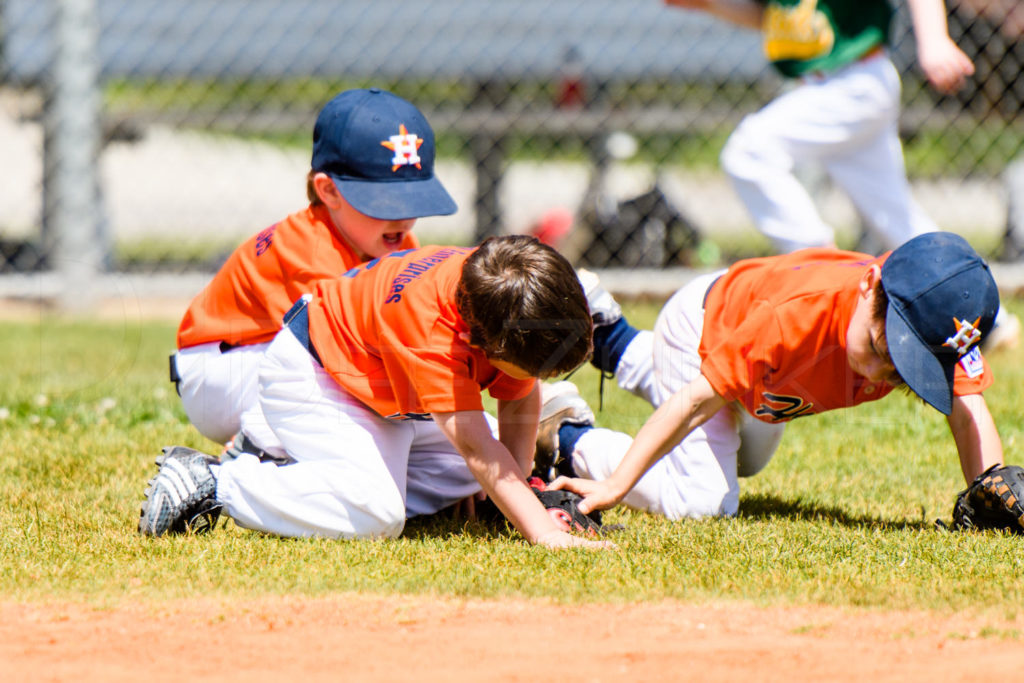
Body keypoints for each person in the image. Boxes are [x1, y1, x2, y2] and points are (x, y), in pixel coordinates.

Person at [140, 235, 614, 550]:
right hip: (317, 377)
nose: (535, 378)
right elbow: (476, 447)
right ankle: (217, 481)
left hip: (384, 394)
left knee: (486, 481)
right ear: (478, 341)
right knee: (377, 514)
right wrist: (542, 533)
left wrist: (520, 496)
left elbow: (519, 395)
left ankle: (292, 462)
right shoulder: (432, 329)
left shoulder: (497, 285)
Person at [538, 232, 1004, 520]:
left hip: (765, 373)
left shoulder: (935, 317)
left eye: (905, 370)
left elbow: (969, 409)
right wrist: (614, 485)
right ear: (869, 287)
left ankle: (611, 336)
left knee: (748, 460)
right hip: (703, 330)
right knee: (703, 503)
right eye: (885, 349)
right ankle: (567, 437)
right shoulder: (794, 319)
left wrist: (988, 489)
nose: (880, 371)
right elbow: (694, 403)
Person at [171, 87, 452, 445]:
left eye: (412, 200)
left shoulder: (393, 241)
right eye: (385, 202)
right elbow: (347, 355)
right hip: (222, 371)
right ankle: (248, 453)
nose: (403, 218)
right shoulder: (308, 251)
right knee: (355, 395)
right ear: (329, 191)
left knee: (402, 415)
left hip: (271, 358)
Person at [664, 0, 974, 253]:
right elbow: (773, 18)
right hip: (831, 86)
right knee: (897, 219)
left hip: (855, 79)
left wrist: (934, 39)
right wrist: (709, 5)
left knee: (749, 151)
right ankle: (988, 317)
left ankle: (819, 260)